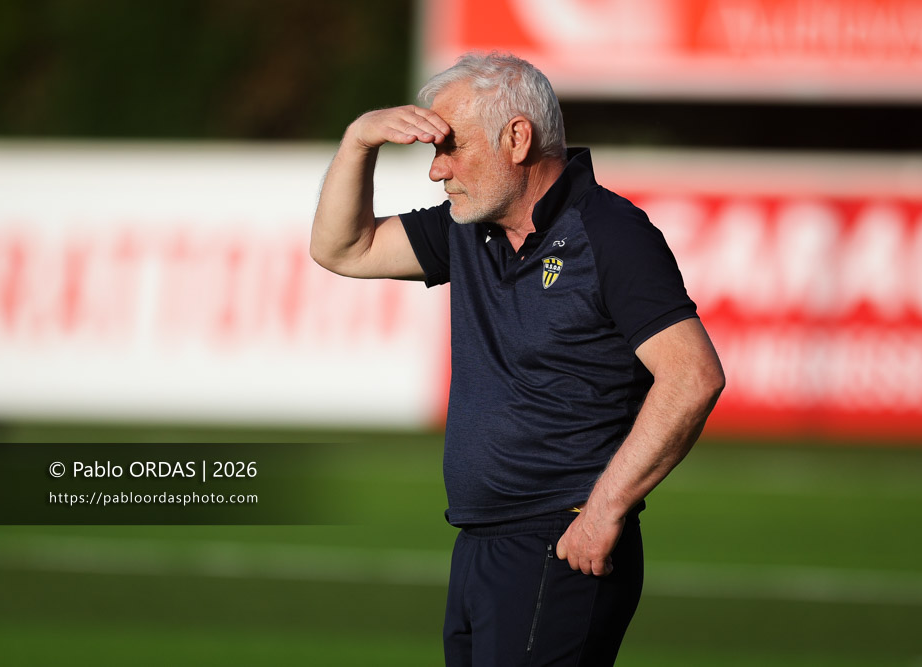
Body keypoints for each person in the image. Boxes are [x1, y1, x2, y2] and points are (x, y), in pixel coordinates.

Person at [310, 52, 725, 666]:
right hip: (479, 543)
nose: (436, 171)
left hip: (561, 544)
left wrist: (604, 511)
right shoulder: (469, 229)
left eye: (449, 147)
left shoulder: (609, 231)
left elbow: (692, 376)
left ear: (516, 137)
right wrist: (359, 140)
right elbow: (343, 248)